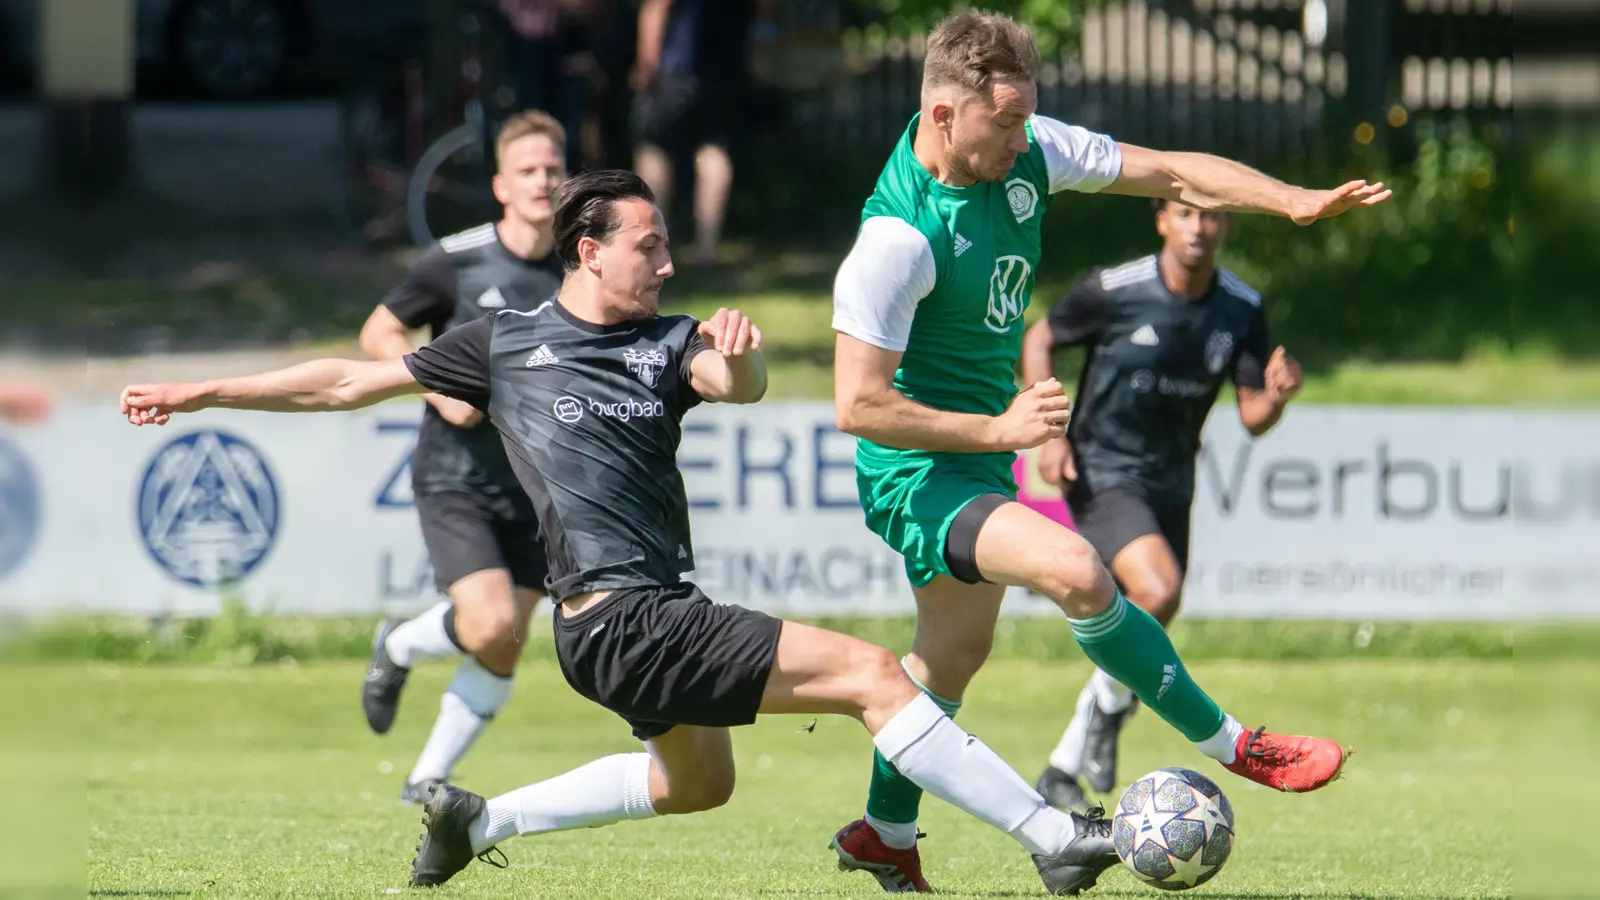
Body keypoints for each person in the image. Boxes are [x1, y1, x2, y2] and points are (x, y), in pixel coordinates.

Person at [119, 169, 1127, 897]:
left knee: (698, 786)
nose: (668, 262)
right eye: (651, 247)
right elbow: (343, 380)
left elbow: (738, 383)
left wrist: (742, 361)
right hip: (618, 621)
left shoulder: (667, 342)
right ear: (588, 250)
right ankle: (1050, 837)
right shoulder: (504, 342)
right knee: (873, 675)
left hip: (626, 627)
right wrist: (205, 389)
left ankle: (482, 819)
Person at [828, 10, 1389, 892]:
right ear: (944, 115)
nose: (1022, 140)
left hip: (980, 452)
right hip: (916, 470)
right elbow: (858, 406)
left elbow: (1169, 171)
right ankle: (1238, 744)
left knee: (944, 668)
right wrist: (1004, 431)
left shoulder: (1027, 152)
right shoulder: (894, 242)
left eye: (1025, 119)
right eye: (1004, 123)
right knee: (1081, 571)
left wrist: (1289, 201)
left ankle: (885, 832)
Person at [1024, 200, 1305, 812]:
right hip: (1101, 469)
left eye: (1211, 218)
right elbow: (1039, 339)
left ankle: (1061, 767)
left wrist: (1276, 399)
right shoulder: (1114, 289)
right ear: (1161, 221)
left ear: (1227, 227)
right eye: (1185, 214)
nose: (1198, 228)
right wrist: (1050, 432)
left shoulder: (1242, 307)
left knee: (1147, 620)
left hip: (1172, 482)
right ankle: (1104, 710)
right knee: (1160, 589)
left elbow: (1252, 414)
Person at [355, 110, 568, 805]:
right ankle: (398, 647)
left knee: (505, 642)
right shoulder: (459, 259)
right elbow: (380, 332)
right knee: (489, 623)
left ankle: (425, 778)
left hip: (540, 488)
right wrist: (441, 391)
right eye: (529, 170)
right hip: (458, 477)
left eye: (553, 168)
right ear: (502, 185)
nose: (543, 180)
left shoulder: (582, 266)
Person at [630, 0, 758, 265]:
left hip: (675, 71)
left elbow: (656, 7)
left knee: (653, 148)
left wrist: (645, 67)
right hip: (727, 72)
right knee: (714, 150)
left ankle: (651, 245)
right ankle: (706, 249)